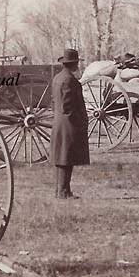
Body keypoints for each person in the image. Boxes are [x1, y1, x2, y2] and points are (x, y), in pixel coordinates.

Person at [48, 48, 89, 199]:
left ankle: (60, 191)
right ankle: (64, 191)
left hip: (60, 122)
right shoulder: (70, 80)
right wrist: (79, 122)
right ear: (74, 64)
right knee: (67, 158)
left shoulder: (58, 78)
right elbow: (67, 106)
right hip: (69, 124)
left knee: (62, 158)